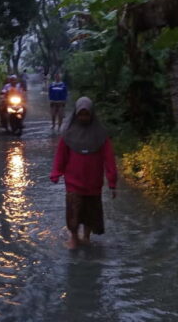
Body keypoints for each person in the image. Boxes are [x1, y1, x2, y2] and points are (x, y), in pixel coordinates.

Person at [49, 97, 118, 250]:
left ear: (92, 114)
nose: (84, 118)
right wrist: (56, 173)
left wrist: (112, 183)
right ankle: (74, 238)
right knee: (74, 210)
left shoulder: (101, 136)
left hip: (94, 182)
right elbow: (61, 156)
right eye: (81, 114)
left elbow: (109, 159)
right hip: (74, 181)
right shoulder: (68, 134)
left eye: (86, 115)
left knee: (90, 210)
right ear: (76, 115)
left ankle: (86, 237)